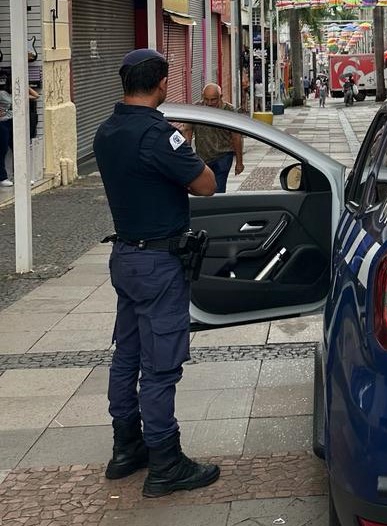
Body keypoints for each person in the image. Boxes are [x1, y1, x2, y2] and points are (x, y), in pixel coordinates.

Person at [93, 48, 220, 497]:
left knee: (126, 354)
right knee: (161, 364)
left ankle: (126, 448)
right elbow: (206, 184)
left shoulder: (105, 132)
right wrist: (183, 144)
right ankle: (166, 462)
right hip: (158, 263)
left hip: (126, 256)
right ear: (162, 83)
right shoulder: (157, 135)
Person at [183, 84, 244, 193]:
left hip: (223, 157)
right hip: (203, 158)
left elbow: (236, 137)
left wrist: (239, 162)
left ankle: (217, 208)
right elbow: (187, 131)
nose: (209, 103)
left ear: (221, 97)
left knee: (218, 190)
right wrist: (186, 154)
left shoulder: (229, 111)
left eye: (213, 100)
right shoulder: (196, 109)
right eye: (206, 99)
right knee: (204, 190)